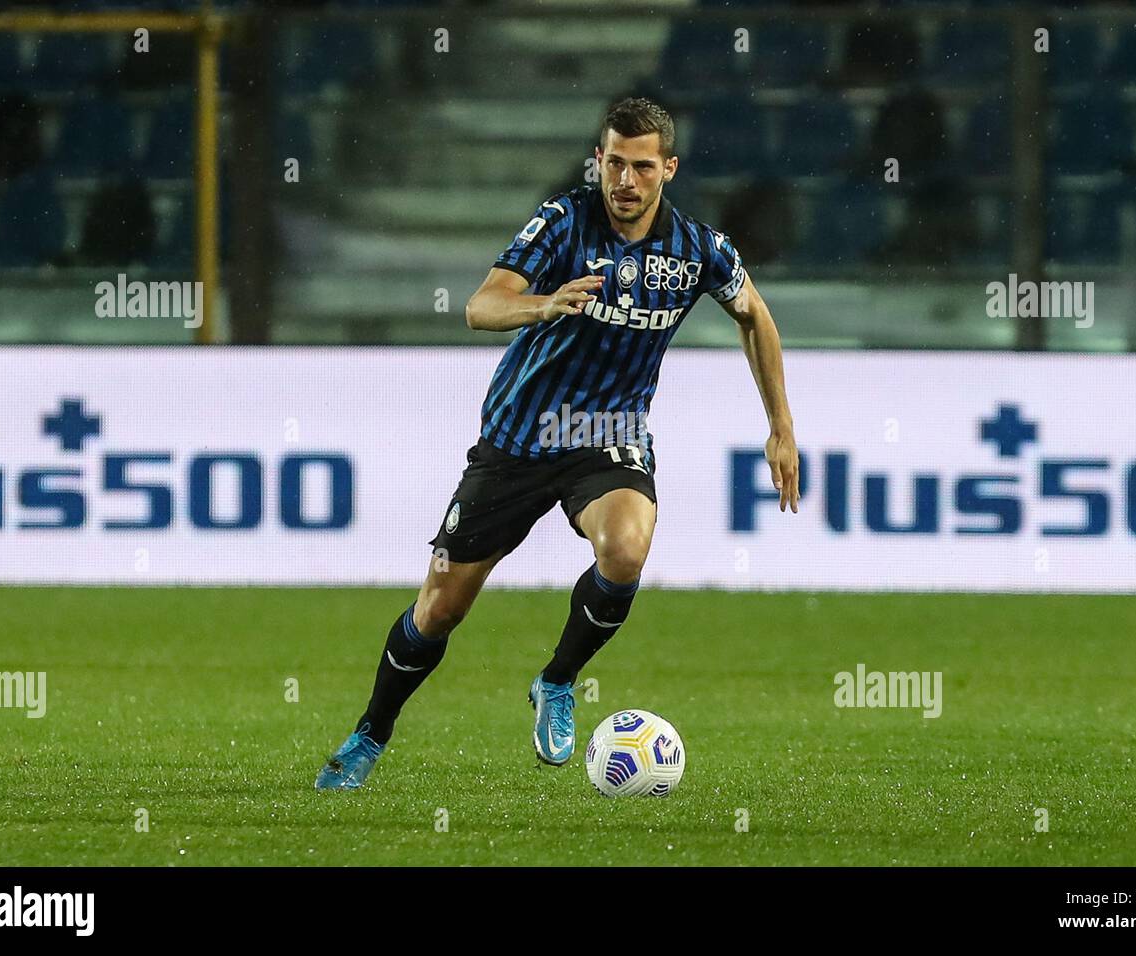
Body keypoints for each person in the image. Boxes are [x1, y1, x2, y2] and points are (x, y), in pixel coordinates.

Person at [316, 97, 799, 790]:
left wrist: (781, 425)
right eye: (612, 163)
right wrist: (540, 305)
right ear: (597, 160)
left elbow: (755, 314)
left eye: (640, 167)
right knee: (441, 608)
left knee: (627, 548)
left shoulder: (697, 249)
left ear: (668, 168)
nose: (623, 181)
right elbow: (482, 304)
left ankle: (558, 680)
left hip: (608, 438)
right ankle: (370, 734)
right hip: (517, 439)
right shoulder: (564, 222)